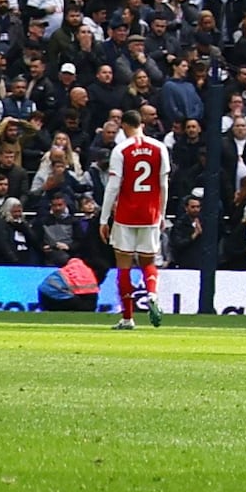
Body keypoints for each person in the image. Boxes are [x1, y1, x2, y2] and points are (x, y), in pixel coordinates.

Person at [98, 99, 170, 330]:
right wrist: (162, 214)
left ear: (125, 127)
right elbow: (164, 185)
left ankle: (128, 318)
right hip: (150, 214)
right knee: (148, 262)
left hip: (126, 215)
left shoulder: (121, 150)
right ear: (142, 125)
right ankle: (152, 295)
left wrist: (103, 218)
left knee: (124, 265)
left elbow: (113, 186)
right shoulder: (160, 148)